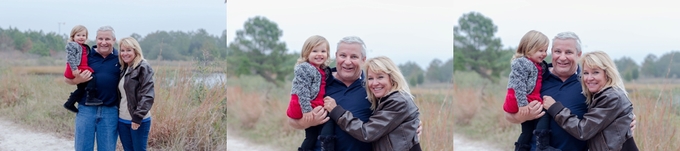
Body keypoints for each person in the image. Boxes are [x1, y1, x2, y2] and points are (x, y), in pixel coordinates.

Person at [504, 32, 636, 151]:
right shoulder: (536, 78)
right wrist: (524, 116)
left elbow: (605, 113)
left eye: (568, 52)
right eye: (557, 51)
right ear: (551, 52)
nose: (562, 57)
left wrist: (623, 124)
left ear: (578, 54)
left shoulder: (589, 84)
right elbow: (509, 115)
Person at [542, 51, 638, 151]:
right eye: (586, 73)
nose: (589, 78)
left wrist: (555, 108)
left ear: (607, 74)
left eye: (595, 72)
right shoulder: (599, 95)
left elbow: (583, 130)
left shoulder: (612, 97)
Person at [323, 56, 422, 151]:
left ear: (392, 78)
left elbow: (367, 133)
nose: (374, 83)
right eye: (370, 78)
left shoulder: (398, 102)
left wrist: (337, 112)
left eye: (380, 77)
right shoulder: (383, 100)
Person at [65, 26, 120, 151]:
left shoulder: (120, 58)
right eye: (100, 38)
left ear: (114, 40)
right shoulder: (85, 55)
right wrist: (77, 80)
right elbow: (67, 78)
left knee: (107, 148)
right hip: (86, 110)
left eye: (107, 39)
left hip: (110, 111)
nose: (103, 42)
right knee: (83, 148)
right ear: (96, 39)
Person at [502, 30, 558, 151]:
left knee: (527, 129)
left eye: (545, 50)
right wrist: (522, 105)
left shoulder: (536, 64)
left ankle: (521, 147)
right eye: (540, 50)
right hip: (520, 99)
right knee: (544, 111)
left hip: (527, 98)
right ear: (528, 49)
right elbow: (519, 85)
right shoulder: (522, 63)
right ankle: (542, 144)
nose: (544, 54)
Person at [285, 35, 334, 151]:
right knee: (328, 119)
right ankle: (327, 145)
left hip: (312, 104)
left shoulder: (322, 70)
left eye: (323, 51)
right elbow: (302, 90)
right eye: (315, 51)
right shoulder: (305, 68)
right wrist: (306, 110)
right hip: (304, 105)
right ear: (307, 53)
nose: (319, 54)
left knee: (311, 136)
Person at [117, 37, 155, 151]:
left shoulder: (143, 67)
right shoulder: (124, 68)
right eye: (122, 50)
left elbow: (148, 95)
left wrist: (137, 117)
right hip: (122, 120)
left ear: (135, 51)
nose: (125, 53)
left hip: (138, 120)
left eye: (128, 50)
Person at [63, 25, 101, 113]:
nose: (81, 37)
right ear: (73, 37)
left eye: (83, 35)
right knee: (92, 77)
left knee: (82, 88)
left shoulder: (84, 46)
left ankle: (69, 103)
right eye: (78, 35)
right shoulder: (73, 45)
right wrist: (74, 69)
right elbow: (70, 58)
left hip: (81, 67)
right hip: (77, 68)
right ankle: (90, 97)